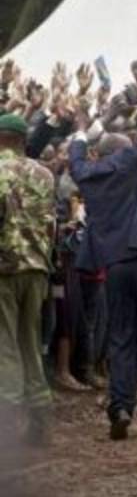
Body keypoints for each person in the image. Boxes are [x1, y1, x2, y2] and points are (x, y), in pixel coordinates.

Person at [68, 64, 137, 441]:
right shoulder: (135, 162)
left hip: (115, 262)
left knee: (120, 336)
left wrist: (83, 125)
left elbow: (77, 152)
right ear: (127, 150)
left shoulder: (87, 172)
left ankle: (120, 407)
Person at [0, 114, 57, 445]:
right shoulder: (45, 174)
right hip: (37, 267)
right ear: (22, 141)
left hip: (4, 269)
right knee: (30, 343)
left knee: (4, 346)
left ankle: (6, 427)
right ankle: (40, 424)